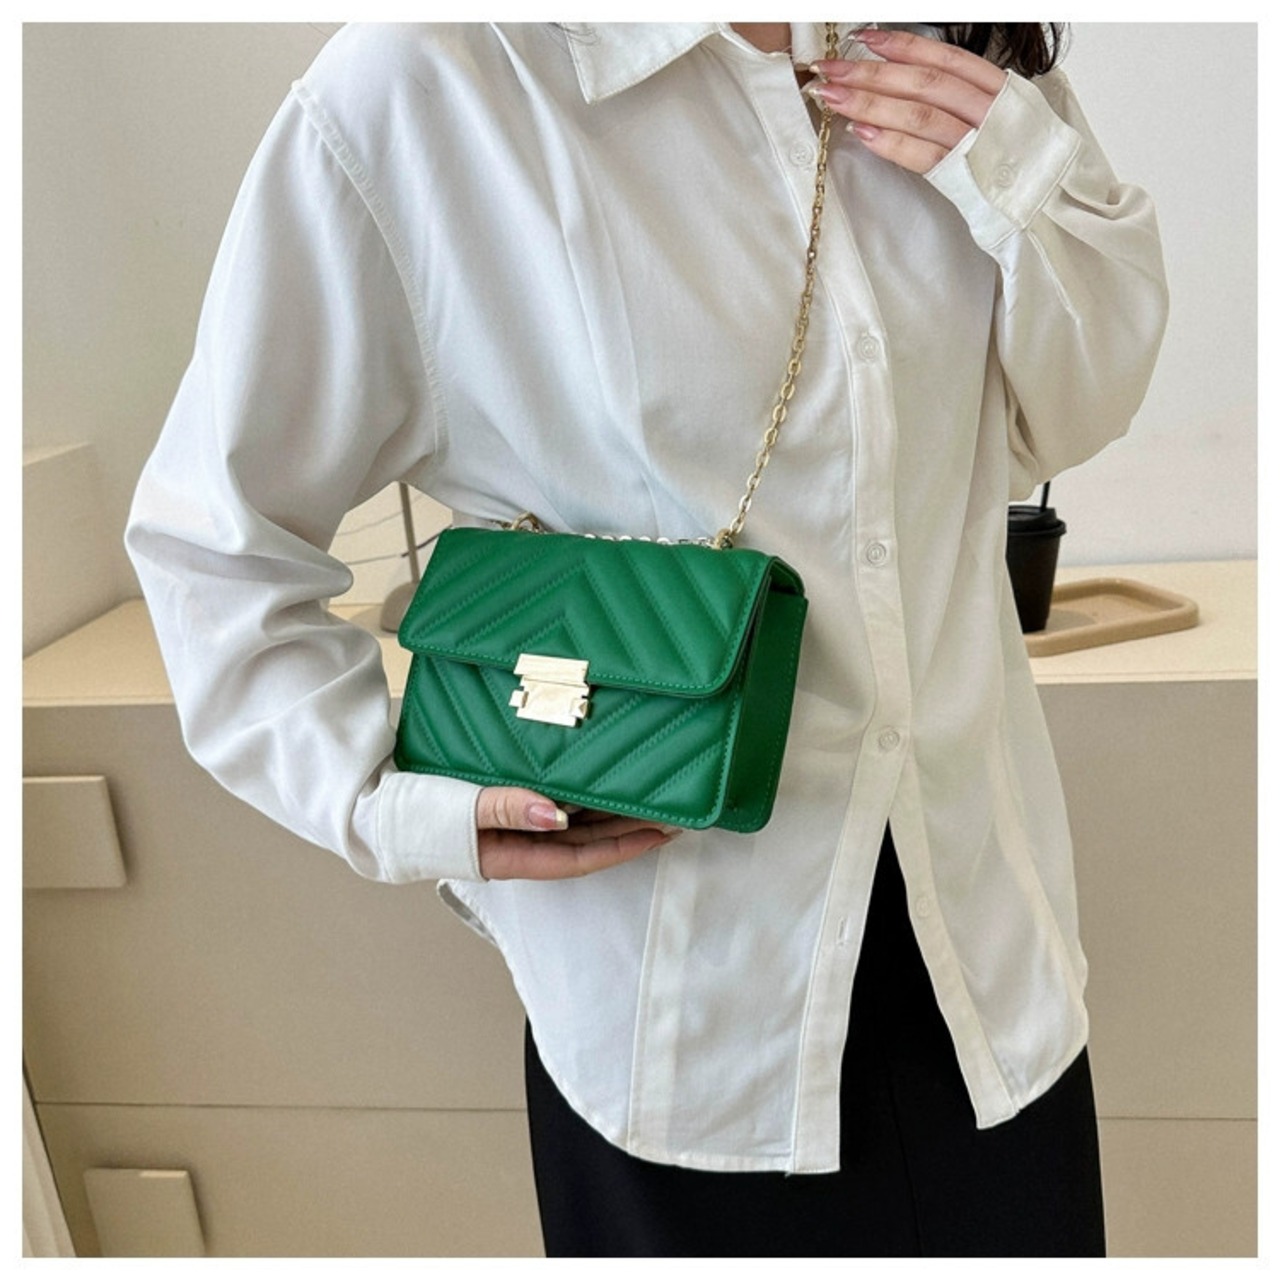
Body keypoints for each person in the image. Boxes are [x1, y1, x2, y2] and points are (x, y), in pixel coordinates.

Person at [124, 22, 1168, 1257]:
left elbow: (1056, 419)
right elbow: (216, 543)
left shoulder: (951, 44)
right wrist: (385, 801)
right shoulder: (432, 82)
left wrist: (1019, 175)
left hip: (988, 968)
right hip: (675, 1023)